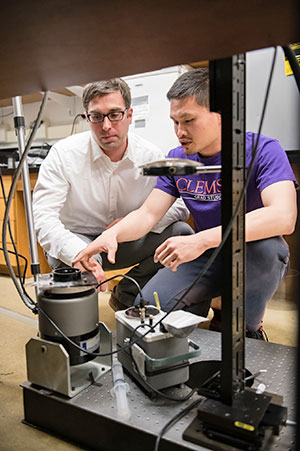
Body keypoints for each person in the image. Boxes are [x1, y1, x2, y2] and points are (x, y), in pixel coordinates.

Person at [73, 68, 298, 339]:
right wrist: (111, 235)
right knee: (149, 312)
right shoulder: (178, 160)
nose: (180, 131)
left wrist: (201, 239)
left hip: (251, 255)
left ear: (221, 115)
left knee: (268, 248)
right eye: (175, 122)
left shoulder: (263, 150)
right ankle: (214, 301)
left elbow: (284, 217)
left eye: (188, 120)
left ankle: (245, 324)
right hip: (206, 255)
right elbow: (147, 214)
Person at [32, 78, 192, 310]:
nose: (106, 125)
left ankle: (126, 295)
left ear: (129, 115)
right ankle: (78, 314)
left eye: (115, 114)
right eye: (97, 116)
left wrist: (130, 223)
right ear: (87, 117)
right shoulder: (63, 155)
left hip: (127, 241)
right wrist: (78, 252)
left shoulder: (150, 155)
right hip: (81, 239)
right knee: (62, 253)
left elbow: (179, 206)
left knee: (181, 233)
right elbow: (43, 218)